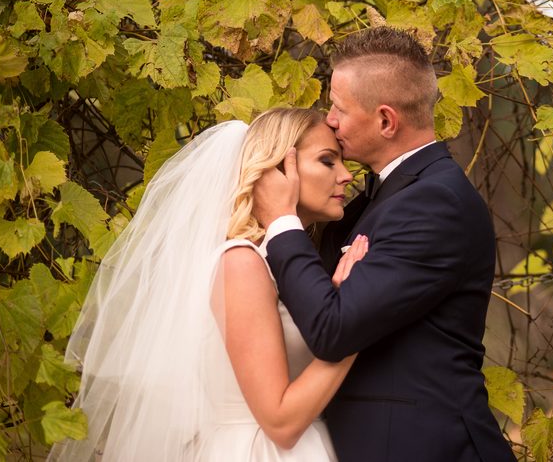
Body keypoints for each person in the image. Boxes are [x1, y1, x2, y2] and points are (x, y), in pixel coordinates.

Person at [253, 27, 517, 461]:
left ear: (386, 121)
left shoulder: (434, 203)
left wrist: (282, 220)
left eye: (339, 108)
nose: (330, 120)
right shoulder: (384, 197)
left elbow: (333, 332)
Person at [50, 108, 369, 461]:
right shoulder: (241, 263)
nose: (346, 175)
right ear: (278, 170)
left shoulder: (278, 263)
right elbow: (280, 422)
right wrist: (354, 323)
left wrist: (336, 303)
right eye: (327, 161)